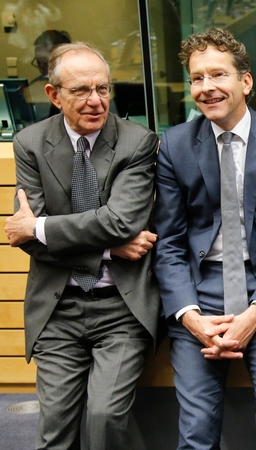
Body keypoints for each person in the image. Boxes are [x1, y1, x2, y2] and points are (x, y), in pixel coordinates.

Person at [153, 28, 256, 449]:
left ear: (245, 82)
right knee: (197, 428)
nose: (207, 88)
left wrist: (255, 314)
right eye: (198, 78)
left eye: (218, 75)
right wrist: (188, 315)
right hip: (200, 293)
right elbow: (169, 244)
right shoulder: (174, 146)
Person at [4, 42, 160, 448]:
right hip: (58, 307)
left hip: (120, 308)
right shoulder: (31, 143)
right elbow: (26, 238)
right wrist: (108, 249)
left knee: (104, 417)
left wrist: (40, 226)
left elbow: (121, 220)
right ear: (54, 95)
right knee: (54, 429)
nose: (96, 101)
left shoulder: (137, 142)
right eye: (81, 91)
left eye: (103, 89)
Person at [29, 30, 72, 120]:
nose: (41, 68)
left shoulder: (84, 89)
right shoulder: (33, 89)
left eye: (46, 63)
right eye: (38, 62)